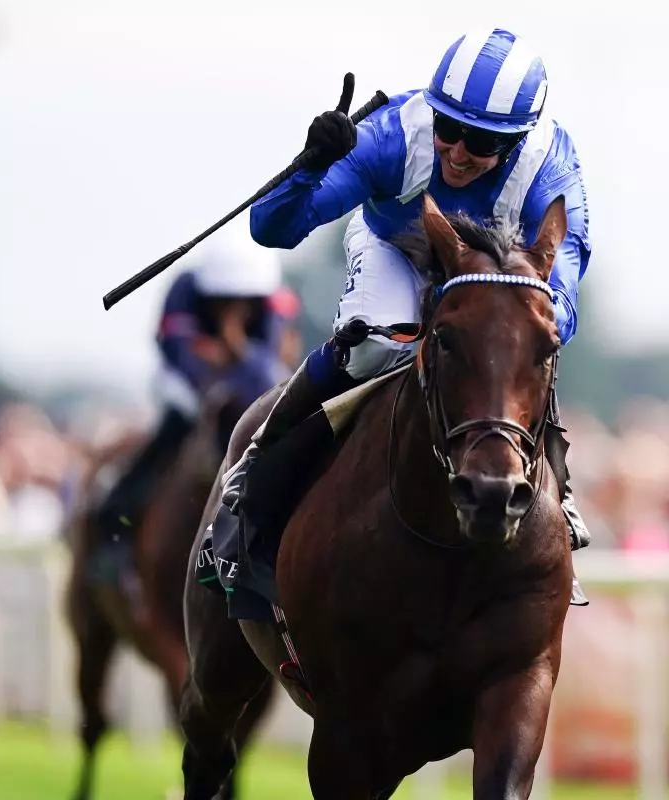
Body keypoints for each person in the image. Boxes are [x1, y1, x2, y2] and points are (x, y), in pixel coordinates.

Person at [211, 28, 593, 605]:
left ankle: (555, 499)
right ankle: (259, 470)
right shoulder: (394, 136)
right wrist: (307, 168)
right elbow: (272, 229)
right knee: (375, 347)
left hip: (495, 282)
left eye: (482, 141)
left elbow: (560, 302)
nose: (459, 152)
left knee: (516, 348)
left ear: (517, 141)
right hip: (398, 248)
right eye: (449, 129)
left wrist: (508, 319)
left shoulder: (551, 171)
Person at [91, 234, 298, 581]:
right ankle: (116, 515)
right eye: (223, 300)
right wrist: (220, 370)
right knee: (177, 422)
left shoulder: (274, 301)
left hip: (244, 386)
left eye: (246, 301)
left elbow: (266, 366)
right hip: (183, 384)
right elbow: (181, 356)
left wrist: (234, 349)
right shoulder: (184, 289)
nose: (235, 307)